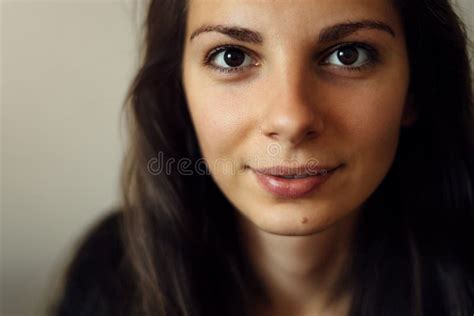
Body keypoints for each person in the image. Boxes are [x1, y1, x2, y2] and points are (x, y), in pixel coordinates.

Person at [50, 0, 474, 315]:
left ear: (414, 89)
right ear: (179, 90)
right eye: (231, 56)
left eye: (349, 54)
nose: (291, 118)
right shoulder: (111, 273)